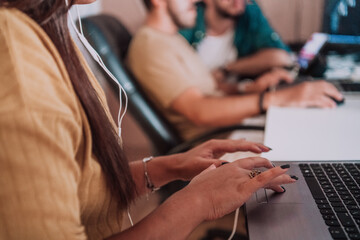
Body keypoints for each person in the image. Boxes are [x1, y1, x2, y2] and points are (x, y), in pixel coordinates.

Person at [0, 0, 297, 239]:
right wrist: (197, 202)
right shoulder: (16, 59)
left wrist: (164, 166)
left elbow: (80, 183)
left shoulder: (50, 36)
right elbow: (199, 109)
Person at [127, 0, 343, 140]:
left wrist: (250, 88)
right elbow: (199, 110)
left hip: (238, 127)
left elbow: (209, 90)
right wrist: (273, 99)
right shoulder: (150, 46)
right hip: (223, 140)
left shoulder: (172, 39)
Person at [179, 0, 292, 79]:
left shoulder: (250, 13)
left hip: (238, 99)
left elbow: (282, 57)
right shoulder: (188, 19)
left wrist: (227, 69)